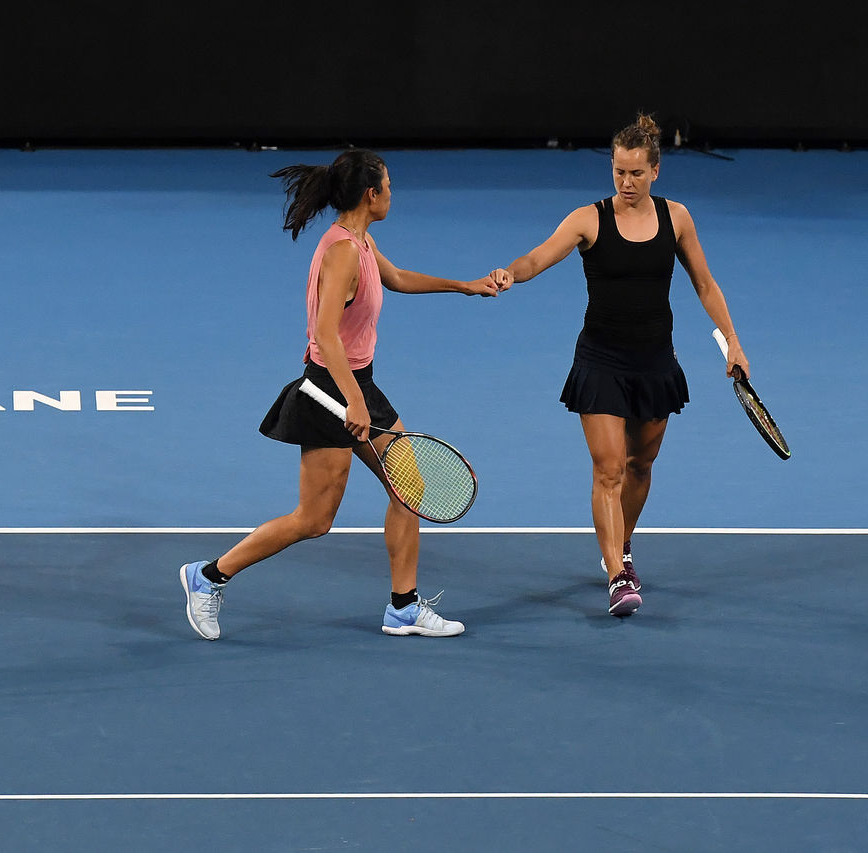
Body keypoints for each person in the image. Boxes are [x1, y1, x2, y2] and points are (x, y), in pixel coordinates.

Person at [180, 149, 499, 641]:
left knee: (408, 489)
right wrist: (352, 400)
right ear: (371, 195)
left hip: (357, 385)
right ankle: (208, 577)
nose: (393, 192)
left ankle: (404, 607)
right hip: (331, 389)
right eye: (388, 186)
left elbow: (396, 279)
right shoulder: (344, 251)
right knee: (313, 519)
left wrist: (464, 286)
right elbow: (325, 332)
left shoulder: (359, 241)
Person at [489, 114, 750, 617]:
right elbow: (539, 258)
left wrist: (732, 342)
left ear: (655, 171)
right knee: (608, 468)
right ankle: (617, 575)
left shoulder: (678, 219)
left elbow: (705, 284)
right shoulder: (588, 219)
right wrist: (509, 274)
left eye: (635, 173)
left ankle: (621, 546)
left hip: (655, 362)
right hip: (600, 362)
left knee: (640, 465)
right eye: (618, 173)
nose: (626, 183)